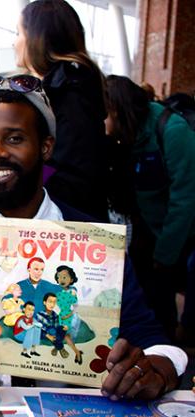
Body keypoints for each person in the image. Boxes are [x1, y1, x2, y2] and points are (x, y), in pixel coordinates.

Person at [0, 82, 187, 399]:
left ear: (46, 147)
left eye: (14, 138)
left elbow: (151, 338)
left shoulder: (94, 238)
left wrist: (154, 371)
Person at [105, 75, 195, 342]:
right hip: (153, 233)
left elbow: (186, 199)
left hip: (182, 236)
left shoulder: (173, 130)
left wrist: (164, 255)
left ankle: (183, 341)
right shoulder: (128, 136)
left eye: (104, 114)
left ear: (117, 110)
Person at [14, 0, 108, 221]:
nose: (14, 42)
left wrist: (19, 183)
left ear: (37, 38)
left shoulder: (70, 94)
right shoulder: (67, 88)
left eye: (18, 33)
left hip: (71, 234)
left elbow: (74, 179)